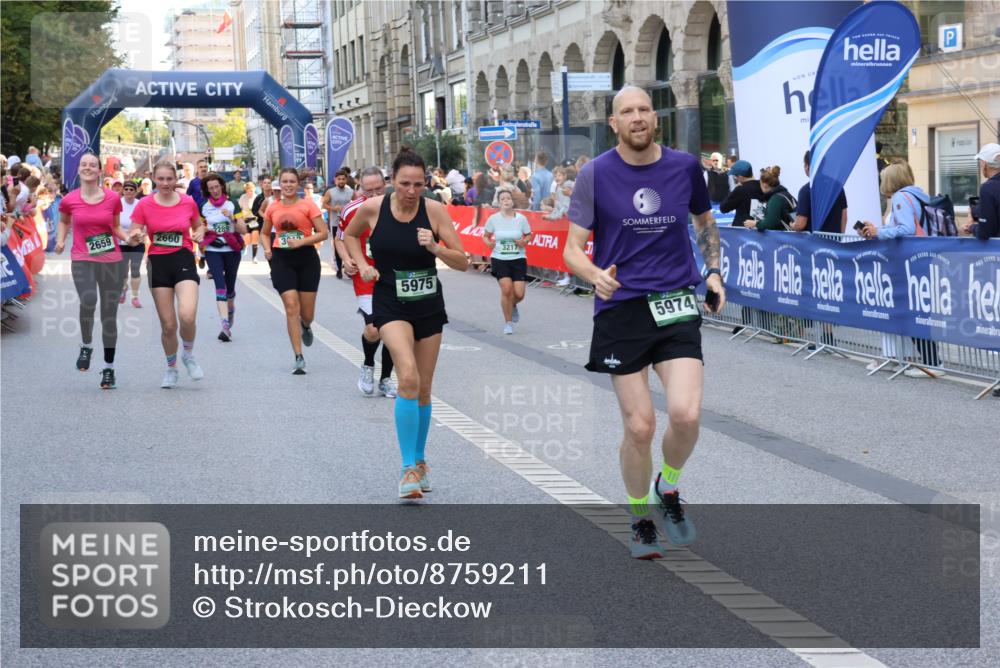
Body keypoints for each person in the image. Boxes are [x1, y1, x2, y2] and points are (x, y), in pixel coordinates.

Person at [562, 85, 726, 559]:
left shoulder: (683, 167)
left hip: (675, 300)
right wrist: (595, 275)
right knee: (639, 427)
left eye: (643, 109)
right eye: (626, 112)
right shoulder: (595, 174)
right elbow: (572, 248)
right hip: (621, 308)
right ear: (613, 123)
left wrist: (712, 271)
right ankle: (639, 517)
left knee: (686, 415)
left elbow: (704, 221)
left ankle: (667, 487)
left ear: (655, 118)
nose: (637, 117)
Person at [343, 148, 469, 499]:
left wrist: (437, 249)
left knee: (424, 387)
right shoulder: (373, 208)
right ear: (391, 182)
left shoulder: (435, 211)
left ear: (427, 182)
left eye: (418, 184)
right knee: (407, 376)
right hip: (389, 301)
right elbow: (350, 236)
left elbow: (463, 261)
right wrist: (361, 263)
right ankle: (407, 468)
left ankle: (421, 460)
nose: (411, 191)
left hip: (428, 303)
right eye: (404, 184)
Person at [55, 153, 133, 389]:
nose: (88, 168)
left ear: (100, 171)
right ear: (78, 170)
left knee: (109, 316)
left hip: (110, 260)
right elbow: (64, 222)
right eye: (84, 164)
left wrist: (128, 238)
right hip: (82, 258)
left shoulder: (112, 199)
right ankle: (86, 345)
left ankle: (109, 369)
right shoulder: (69, 200)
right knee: (88, 299)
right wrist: (60, 241)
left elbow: (116, 227)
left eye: (92, 165)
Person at [859, 160, 944, 378]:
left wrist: (879, 233)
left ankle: (932, 362)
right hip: (920, 258)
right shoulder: (916, 195)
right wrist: (879, 229)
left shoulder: (900, 198)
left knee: (913, 311)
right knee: (917, 309)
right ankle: (921, 359)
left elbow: (905, 228)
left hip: (909, 261)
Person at [129, 161, 206, 388]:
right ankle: (171, 368)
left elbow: (198, 225)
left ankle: (188, 354)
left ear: (175, 179)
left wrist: (200, 233)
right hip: (158, 262)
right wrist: (135, 235)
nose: (165, 183)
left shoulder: (187, 202)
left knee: (187, 315)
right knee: (169, 325)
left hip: (183, 258)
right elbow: (135, 229)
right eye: (160, 179)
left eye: (169, 179)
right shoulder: (144, 204)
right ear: (154, 179)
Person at [335, 166, 398, 398]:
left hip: (393, 276)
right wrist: (347, 259)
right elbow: (340, 239)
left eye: (378, 189)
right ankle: (368, 364)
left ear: (386, 185)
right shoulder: (352, 209)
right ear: (360, 188)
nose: (373, 195)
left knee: (392, 329)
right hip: (366, 275)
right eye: (368, 190)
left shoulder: (398, 205)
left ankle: (386, 379)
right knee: (374, 330)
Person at [261, 167, 329, 375]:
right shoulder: (273, 207)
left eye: (292, 181)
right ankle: (298, 357)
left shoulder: (308, 205)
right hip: (282, 259)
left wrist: (302, 242)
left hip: (307, 258)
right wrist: (266, 249)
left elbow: (324, 233)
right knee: (291, 306)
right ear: (279, 185)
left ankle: (306, 326)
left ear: (297, 184)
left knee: (306, 314)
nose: (288, 185)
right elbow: (264, 233)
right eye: (285, 181)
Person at [201, 172, 247, 342]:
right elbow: (199, 228)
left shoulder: (232, 204)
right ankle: (225, 325)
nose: (214, 190)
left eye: (216, 186)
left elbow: (243, 230)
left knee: (229, 290)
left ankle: (230, 311)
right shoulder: (203, 207)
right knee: (219, 286)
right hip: (213, 250)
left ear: (221, 186)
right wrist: (202, 232)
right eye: (210, 188)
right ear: (207, 190)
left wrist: (232, 219)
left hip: (232, 250)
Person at [484, 188, 533, 334]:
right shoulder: (493, 219)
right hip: (500, 258)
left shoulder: (521, 219)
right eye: (503, 199)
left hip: (518, 259)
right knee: (506, 289)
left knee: (519, 294)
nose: (506, 201)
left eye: (508, 198)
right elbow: (486, 235)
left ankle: (512, 305)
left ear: (512, 201)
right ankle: (508, 322)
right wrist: (488, 243)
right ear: (499, 203)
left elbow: (529, 235)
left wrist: (524, 241)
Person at [792, 150, 847, 233]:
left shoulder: (806, 190)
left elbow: (800, 224)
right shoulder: (837, 186)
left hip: (815, 243)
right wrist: (840, 238)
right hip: (834, 242)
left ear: (807, 166)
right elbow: (844, 216)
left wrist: (792, 225)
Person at [322, 168, 354, 278]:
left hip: (349, 222)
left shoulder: (350, 191)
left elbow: (357, 202)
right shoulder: (330, 192)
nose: (341, 181)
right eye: (339, 179)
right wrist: (333, 208)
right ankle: (339, 269)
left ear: (346, 180)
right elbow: (324, 205)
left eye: (343, 179)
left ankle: (349, 268)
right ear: (335, 180)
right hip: (335, 222)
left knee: (349, 245)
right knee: (337, 245)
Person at [964, 143, 1000, 239]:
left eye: (980, 162)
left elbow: (985, 232)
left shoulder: (988, 188)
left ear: (984, 164)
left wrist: (971, 226)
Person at [742, 166, 795, 231]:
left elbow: (770, 223)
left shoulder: (775, 199)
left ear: (764, 185)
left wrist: (755, 223)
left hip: (783, 236)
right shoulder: (785, 194)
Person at [118, 180, 144, 308]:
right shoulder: (117, 204)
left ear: (135, 191)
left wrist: (143, 233)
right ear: (123, 191)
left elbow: (147, 222)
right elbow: (113, 223)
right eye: (126, 189)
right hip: (121, 242)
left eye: (131, 189)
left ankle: (135, 297)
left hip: (137, 242)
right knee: (122, 272)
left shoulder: (141, 204)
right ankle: (123, 288)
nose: (128, 191)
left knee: (135, 270)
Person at [719, 159, 763, 226]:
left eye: (735, 176)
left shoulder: (740, 190)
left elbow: (723, 208)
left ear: (740, 177)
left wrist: (734, 190)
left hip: (743, 231)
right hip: (760, 228)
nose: (735, 178)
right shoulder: (762, 186)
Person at [239, 181, 261, 262]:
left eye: (251, 190)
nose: (250, 192)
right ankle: (245, 246)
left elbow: (260, 210)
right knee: (247, 237)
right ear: (246, 190)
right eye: (248, 190)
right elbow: (239, 208)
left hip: (254, 220)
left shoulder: (257, 197)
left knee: (255, 237)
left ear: (254, 189)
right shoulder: (243, 197)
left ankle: (254, 257)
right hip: (246, 220)